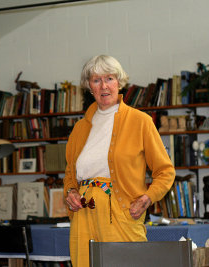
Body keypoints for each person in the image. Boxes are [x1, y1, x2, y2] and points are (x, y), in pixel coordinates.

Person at [64, 55, 175, 266]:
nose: (104, 86)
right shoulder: (79, 128)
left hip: (122, 213)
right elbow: (70, 174)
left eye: (110, 79)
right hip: (83, 214)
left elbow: (165, 171)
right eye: (96, 80)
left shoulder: (140, 121)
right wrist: (71, 192)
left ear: (119, 82)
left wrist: (147, 198)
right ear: (89, 86)